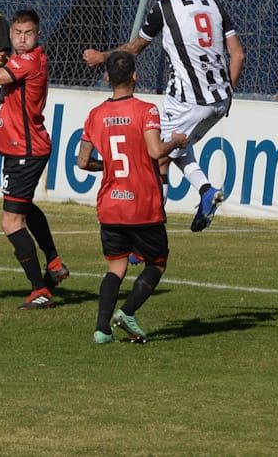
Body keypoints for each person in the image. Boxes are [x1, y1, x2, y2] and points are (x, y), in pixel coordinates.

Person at [82, 0, 245, 233]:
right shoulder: (214, 4)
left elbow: (134, 49)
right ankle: (205, 190)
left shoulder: (165, 7)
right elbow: (238, 54)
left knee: (156, 155)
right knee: (177, 146)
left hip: (188, 99)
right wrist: (228, 92)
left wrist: (102, 57)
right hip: (221, 99)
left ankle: (152, 224)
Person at [78, 50, 188, 344]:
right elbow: (155, 151)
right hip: (142, 203)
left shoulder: (95, 115)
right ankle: (127, 312)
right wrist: (175, 141)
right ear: (135, 76)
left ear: (106, 77)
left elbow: (82, 162)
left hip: (110, 203)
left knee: (116, 267)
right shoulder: (146, 110)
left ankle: (102, 330)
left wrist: (109, 166)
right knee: (157, 263)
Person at [0, 9, 69, 309]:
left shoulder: (29, 61)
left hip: (25, 150)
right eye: (17, 33)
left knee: (11, 222)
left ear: (38, 35)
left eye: (28, 33)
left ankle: (40, 290)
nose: (22, 39)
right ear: (11, 34)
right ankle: (53, 263)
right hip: (20, 149)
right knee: (23, 208)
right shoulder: (20, 60)